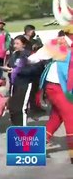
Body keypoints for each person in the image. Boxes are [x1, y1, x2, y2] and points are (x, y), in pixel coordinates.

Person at [28, 25, 73, 164]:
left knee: (57, 117)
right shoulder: (57, 43)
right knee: (71, 117)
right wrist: (22, 61)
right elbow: (35, 58)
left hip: (67, 87)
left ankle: (35, 146)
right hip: (56, 86)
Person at [6, 35, 44, 126]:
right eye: (14, 43)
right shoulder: (15, 54)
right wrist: (9, 69)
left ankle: (23, 131)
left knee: (21, 109)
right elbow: (11, 65)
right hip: (14, 84)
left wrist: (19, 71)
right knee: (13, 108)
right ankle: (15, 127)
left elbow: (37, 69)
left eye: (17, 43)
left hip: (25, 84)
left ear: (23, 44)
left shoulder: (30, 55)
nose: (15, 45)